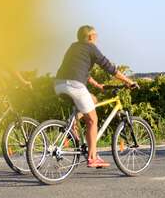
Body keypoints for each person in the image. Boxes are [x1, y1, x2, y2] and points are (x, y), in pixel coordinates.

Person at [55, 25, 137, 168]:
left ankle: (73, 121)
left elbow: (82, 71)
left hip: (59, 85)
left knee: (92, 99)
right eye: (96, 35)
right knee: (93, 120)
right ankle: (92, 158)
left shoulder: (73, 47)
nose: (97, 38)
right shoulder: (91, 47)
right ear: (91, 36)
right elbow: (109, 67)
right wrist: (129, 82)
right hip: (75, 85)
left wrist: (98, 84)